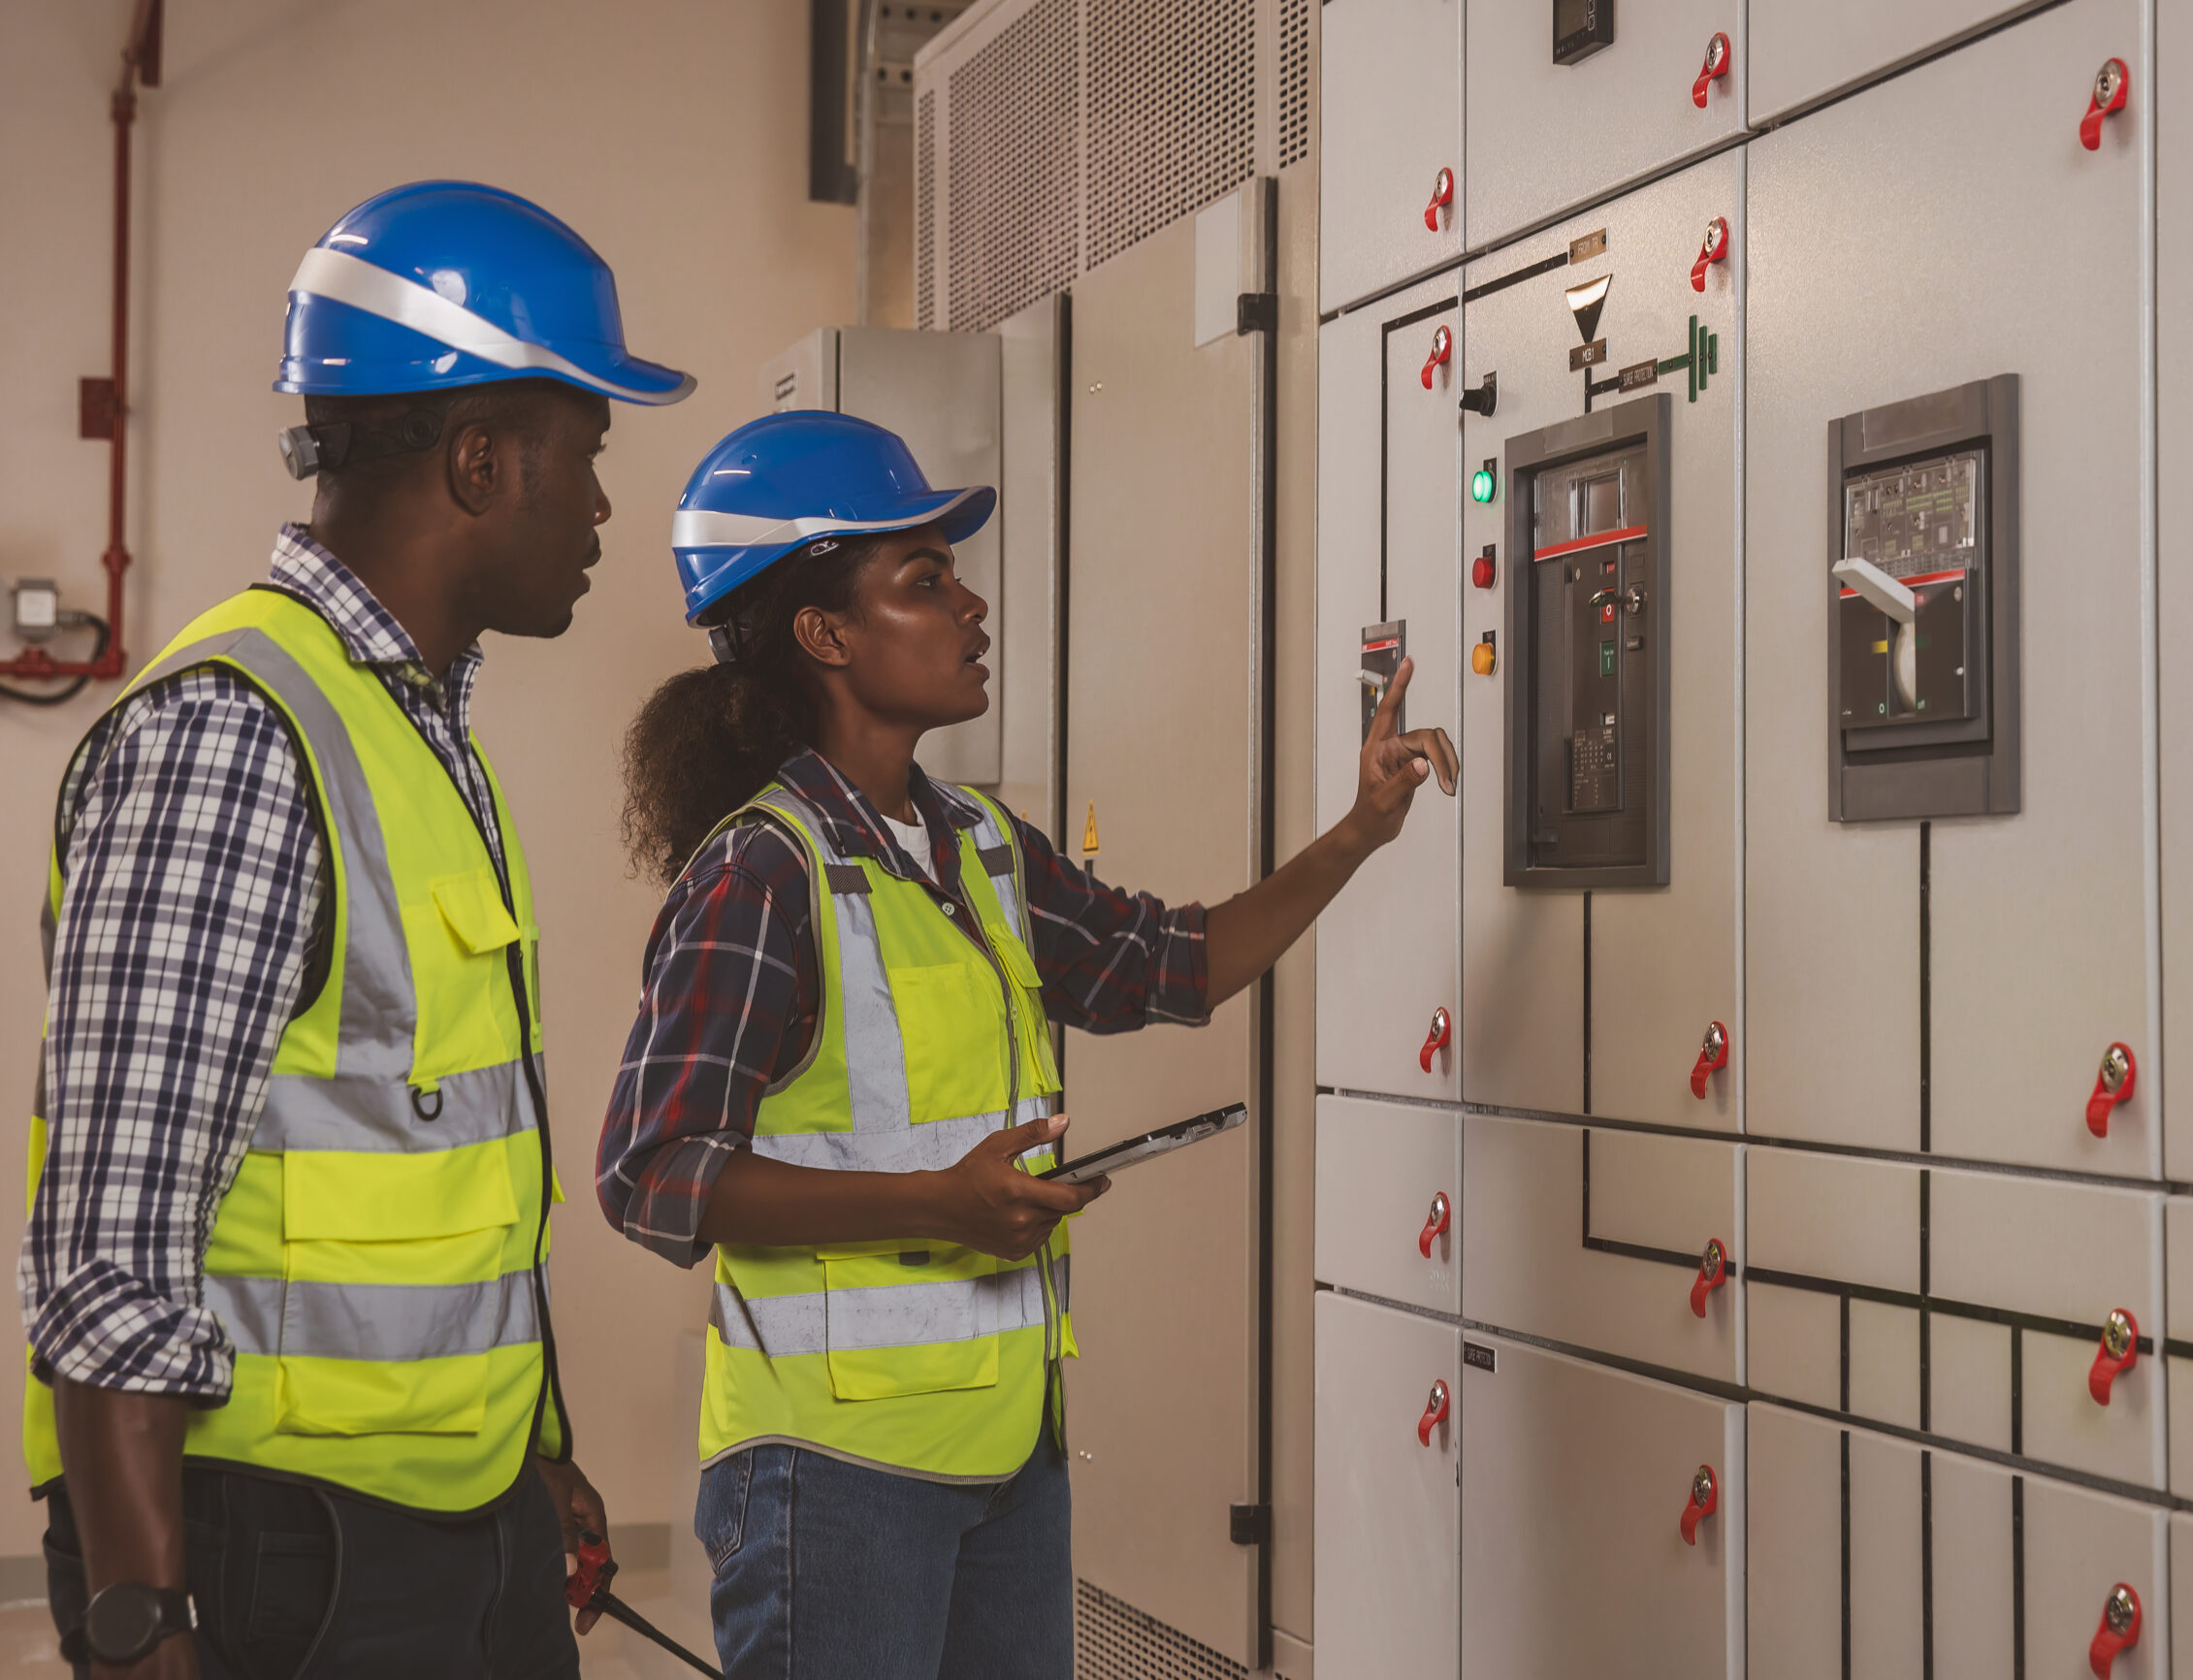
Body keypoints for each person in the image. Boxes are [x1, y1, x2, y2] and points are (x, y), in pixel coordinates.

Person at [597, 409, 1453, 1679]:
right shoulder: (761, 872)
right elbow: (654, 1173)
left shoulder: (982, 844)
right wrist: (938, 1202)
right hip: (831, 1477)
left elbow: (1173, 965)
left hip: (1009, 1455)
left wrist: (1360, 832)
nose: (973, 608)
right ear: (824, 635)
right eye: (927, 581)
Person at [17, 180, 693, 1679]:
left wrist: (530, 1461)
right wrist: (140, 1629)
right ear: (475, 459)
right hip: (283, 1549)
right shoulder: (237, 736)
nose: (596, 508)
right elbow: (110, 1247)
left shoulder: (414, 736)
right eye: (582, 458)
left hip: (448, 1518)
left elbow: (434, 1168)